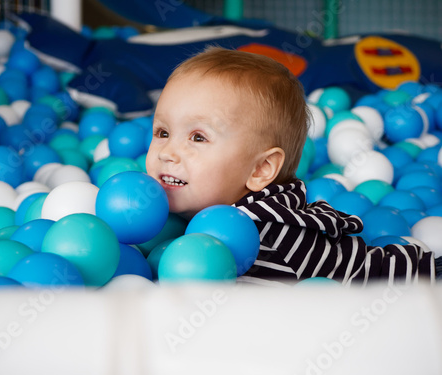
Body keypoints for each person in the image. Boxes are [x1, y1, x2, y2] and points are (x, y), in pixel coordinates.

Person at [145, 46, 441, 286]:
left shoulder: (265, 242)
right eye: (162, 133)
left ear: (260, 169)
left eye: (198, 137)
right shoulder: (175, 211)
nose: (168, 152)